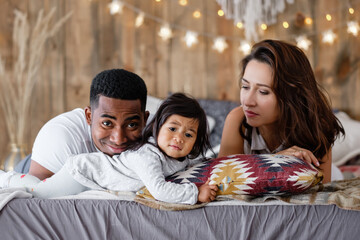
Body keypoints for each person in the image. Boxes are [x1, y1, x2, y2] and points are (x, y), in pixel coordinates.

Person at [0, 93, 218, 204]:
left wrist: (211, 163)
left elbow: (193, 162)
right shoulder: (147, 155)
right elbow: (159, 190)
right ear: (157, 127)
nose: (179, 138)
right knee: (36, 193)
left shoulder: (179, 156)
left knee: (38, 190)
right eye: (173, 129)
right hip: (83, 172)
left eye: (189, 134)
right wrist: (195, 193)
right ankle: (6, 178)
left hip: (93, 178)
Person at [218, 39, 344, 183]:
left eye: (263, 92)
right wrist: (274, 162)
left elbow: (321, 190)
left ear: (292, 95)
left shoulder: (316, 125)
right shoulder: (237, 119)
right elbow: (222, 182)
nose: (247, 102)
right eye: (245, 87)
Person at [27, 68, 149, 180]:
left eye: (131, 125)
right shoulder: (59, 136)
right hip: (41, 166)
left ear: (145, 120)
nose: (118, 139)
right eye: (107, 123)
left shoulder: (161, 134)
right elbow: (36, 194)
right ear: (89, 116)